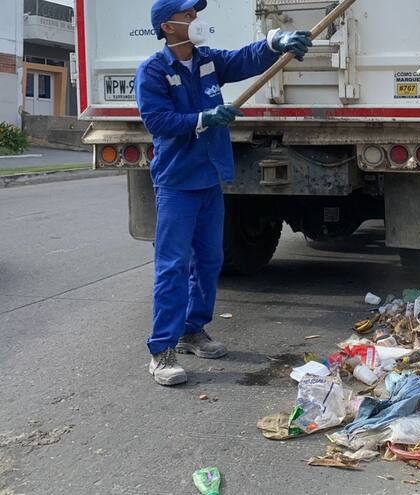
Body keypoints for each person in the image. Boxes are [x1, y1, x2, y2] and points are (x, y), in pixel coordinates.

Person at [136, 0, 312, 385]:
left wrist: (276, 41)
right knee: (173, 267)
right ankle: (162, 351)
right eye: (187, 15)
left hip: (210, 179)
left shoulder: (207, 60)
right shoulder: (153, 71)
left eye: (194, 12)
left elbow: (244, 59)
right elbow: (158, 121)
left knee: (210, 261)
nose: (195, 18)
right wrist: (204, 118)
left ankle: (193, 329)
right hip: (177, 182)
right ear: (168, 27)